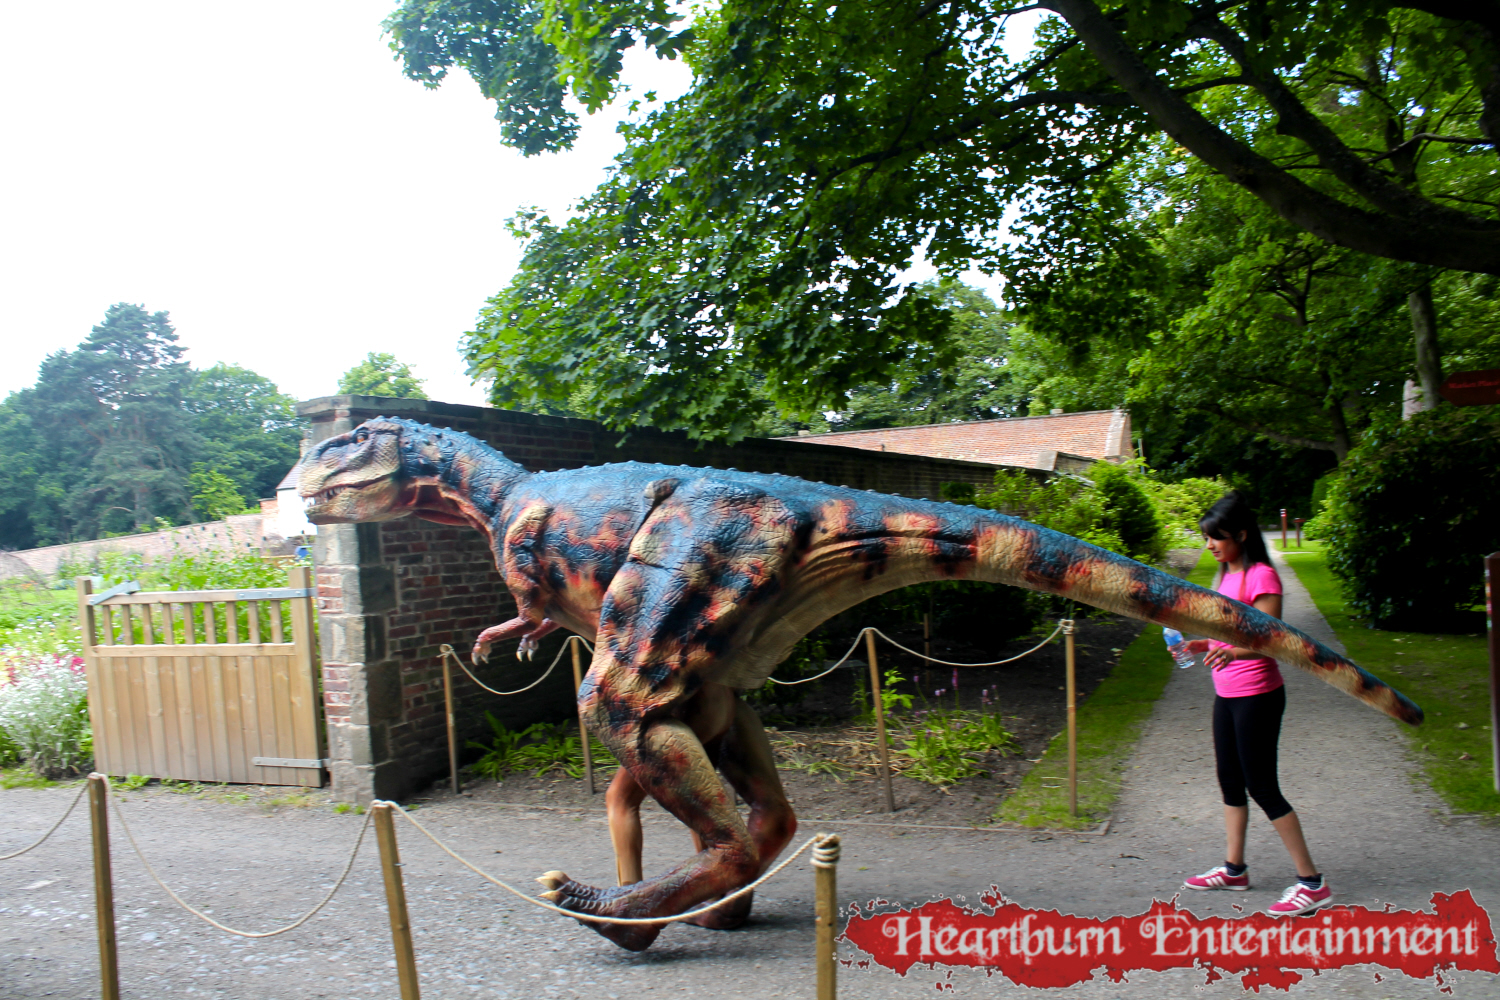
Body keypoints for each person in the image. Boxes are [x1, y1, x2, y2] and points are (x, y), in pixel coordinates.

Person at [1179, 492, 1332, 916]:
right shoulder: (1226, 576)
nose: (1210, 545)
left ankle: (1312, 884)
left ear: (1241, 535)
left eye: (1217, 537)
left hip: (1258, 695)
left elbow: (1274, 641)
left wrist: (1231, 652)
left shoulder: (1262, 576)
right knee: (1230, 781)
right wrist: (1204, 644)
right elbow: (1231, 633)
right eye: (1207, 537)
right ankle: (1234, 870)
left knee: (1262, 786)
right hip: (1226, 694)